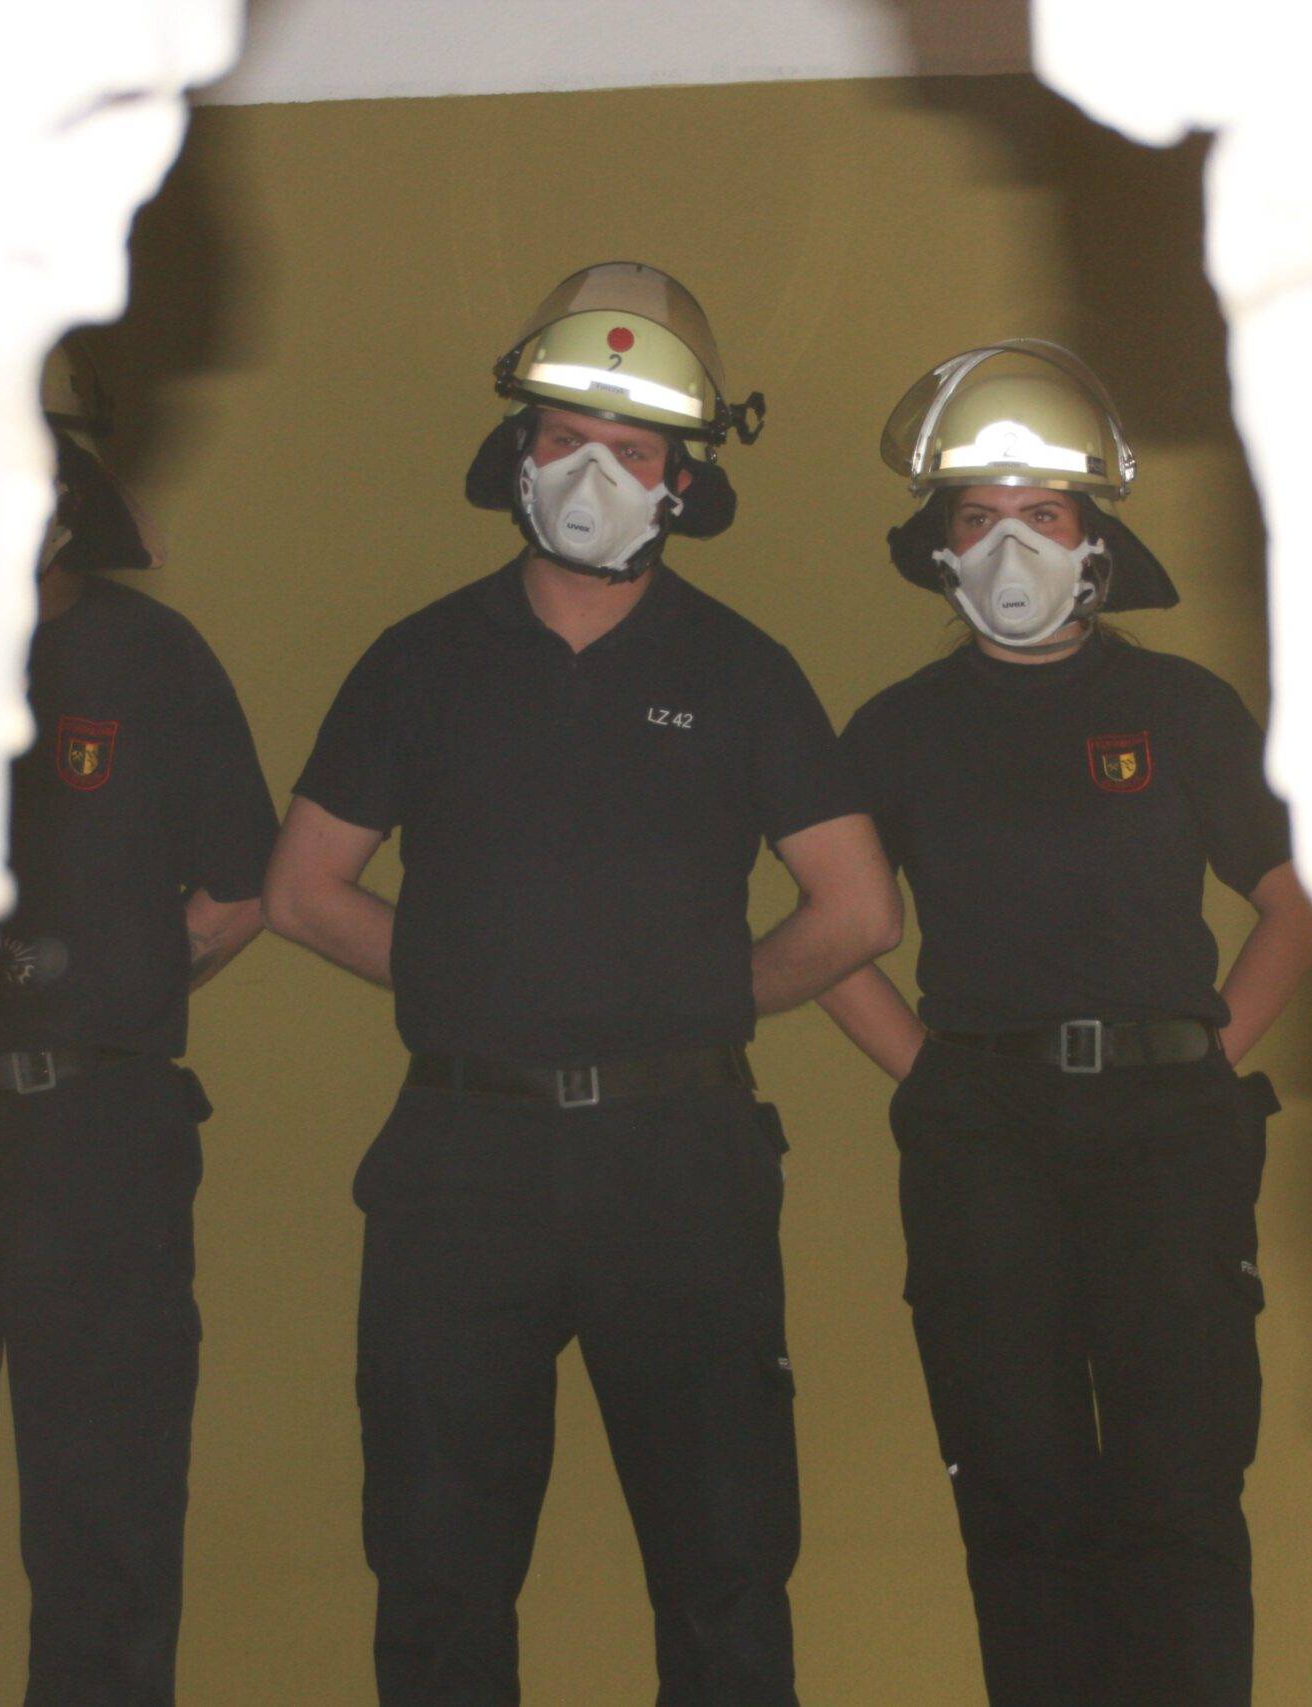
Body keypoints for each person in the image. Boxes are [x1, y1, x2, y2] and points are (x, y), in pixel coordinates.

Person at [263, 262, 901, 1706]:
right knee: (436, 1576)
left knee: (726, 1573)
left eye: (632, 450)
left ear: (686, 480)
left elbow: (860, 909)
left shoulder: (742, 672)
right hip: (460, 1165)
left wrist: (699, 994)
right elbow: (302, 888)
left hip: (681, 1164)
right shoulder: (420, 661)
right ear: (517, 450)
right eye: (565, 438)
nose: (592, 473)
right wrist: (469, 978)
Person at [818, 342, 1312, 1706]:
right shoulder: (895, 732)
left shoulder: (1181, 710)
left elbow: (1295, 902)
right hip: (981, 1142)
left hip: (1171, 1138)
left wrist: (1208, 1057)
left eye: (1041, 515)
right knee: (1019, 1495)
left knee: (1182, 1493)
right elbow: (833, 928)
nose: (1010, 548)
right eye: (978, 519)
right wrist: (930, 1073)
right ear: (939, 548)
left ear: (1095, 540)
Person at [0, 337, 279, 1705]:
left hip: (104, 1142)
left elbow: (242, 887)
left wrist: (109, 992)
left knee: (110, 1534)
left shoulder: (152, 660)